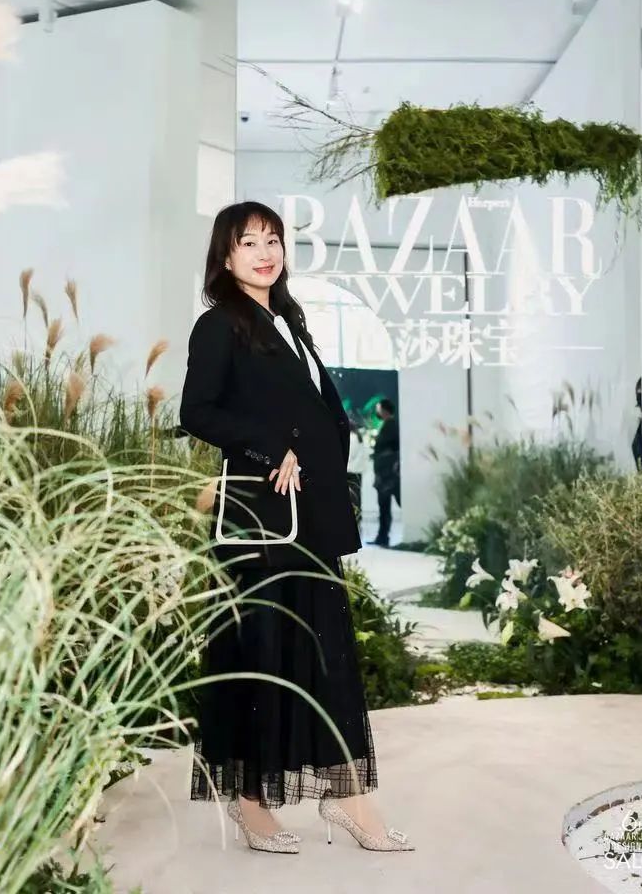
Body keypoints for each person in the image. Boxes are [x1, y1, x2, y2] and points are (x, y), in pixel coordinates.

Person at [179, 200, 414, 854]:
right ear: (225, 256)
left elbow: (313, 410)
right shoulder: (219, 324)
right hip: (261, 522)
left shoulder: (288, 319)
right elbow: (197, 411)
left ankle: (347, 797)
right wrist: (268, 447)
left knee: (322, 655)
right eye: (249, 242)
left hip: (307, 518)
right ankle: (252, 802)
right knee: (261, 654)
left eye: (273, 240)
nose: (265, 253)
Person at [370, 398, 401, 548]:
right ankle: (382, 536)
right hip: (384, 473)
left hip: (387, 474)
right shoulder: (388, 425)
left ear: (384, 410)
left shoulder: (391, 426)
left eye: (378, 408)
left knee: (385, 506)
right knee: (384, 506)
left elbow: (388, 448)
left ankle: (383, 536)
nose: (377, 411)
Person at [346, 418, 369, 527]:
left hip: (351, 471)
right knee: (357, 496)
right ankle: (357, 517)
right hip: (356, 471)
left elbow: (349, 455)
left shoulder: (352, 437)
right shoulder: (357, 436)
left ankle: (355, 517)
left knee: (353, 497)